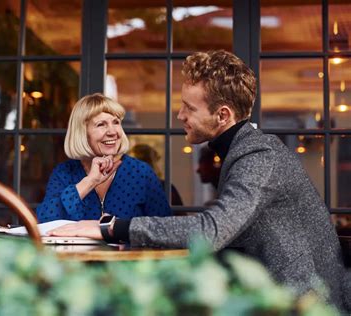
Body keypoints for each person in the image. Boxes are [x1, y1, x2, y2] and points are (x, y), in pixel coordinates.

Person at [48, 50, 350, 312]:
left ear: (222, 115)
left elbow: (211, 230)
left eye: (189, 108)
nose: (179, 115)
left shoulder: (260, 157)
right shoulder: (241, 153)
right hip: (272, 296)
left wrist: (109, 227)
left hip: (305, 305)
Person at [36, 93, 171, 223]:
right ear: (82, 132)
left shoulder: (141, 173)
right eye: (101, 124)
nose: (112, 132)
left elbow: (164, 229)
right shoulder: (64, 173)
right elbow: (44, 221)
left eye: (116, 122)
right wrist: (90, 181)